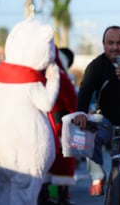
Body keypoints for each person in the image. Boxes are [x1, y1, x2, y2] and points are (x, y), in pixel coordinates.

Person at [73, 26, 120, 204]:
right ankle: (98, 175)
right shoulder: (96, 66)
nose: (115, 47)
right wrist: (80, 113)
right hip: (107, 123)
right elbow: (85, 91)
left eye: (119, 43)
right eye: (111, 43)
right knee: (91, 137)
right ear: (103, 44)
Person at [38, 47, 78, 205]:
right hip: (60, 126)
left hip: (46, 124)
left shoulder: (41, 75)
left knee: (46, 163)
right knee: (62, 162)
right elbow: (71, 102)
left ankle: (45, 195)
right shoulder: (60, 75)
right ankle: (60, 196)